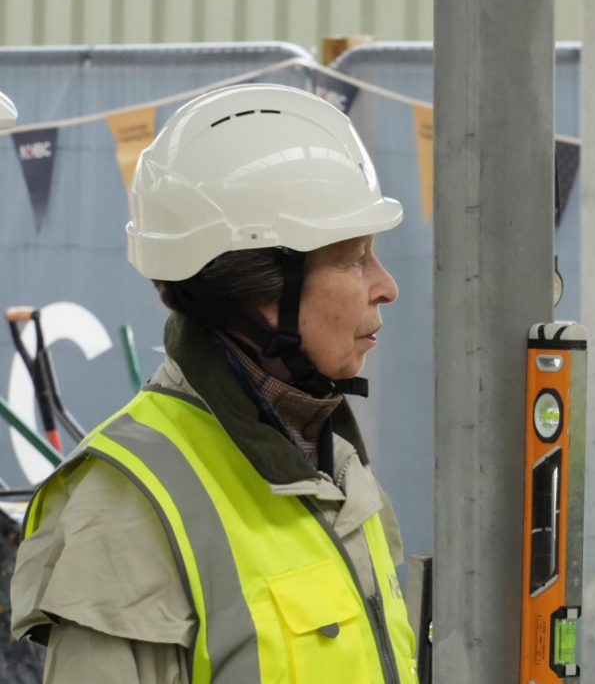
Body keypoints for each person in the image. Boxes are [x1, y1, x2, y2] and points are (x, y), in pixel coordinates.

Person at [10, 85, 418, 683]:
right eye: (354, 259)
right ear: (262, 290)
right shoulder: (124, 509)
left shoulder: (336, 459)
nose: (386, 286)